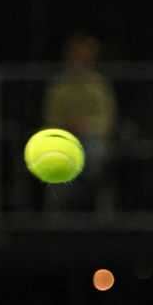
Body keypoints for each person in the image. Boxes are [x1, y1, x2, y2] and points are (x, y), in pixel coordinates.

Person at [41, 32, 117, 212]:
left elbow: (106, 121)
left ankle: (89, 199)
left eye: (84, 56)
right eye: (75, 55)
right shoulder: (58, 87)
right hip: (63, 139)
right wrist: (67, 129)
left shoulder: (99, 86)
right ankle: (59, 213)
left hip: (93, 140)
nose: (79, 60)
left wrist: (86, 126)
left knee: (92, 151)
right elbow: (50, 121)